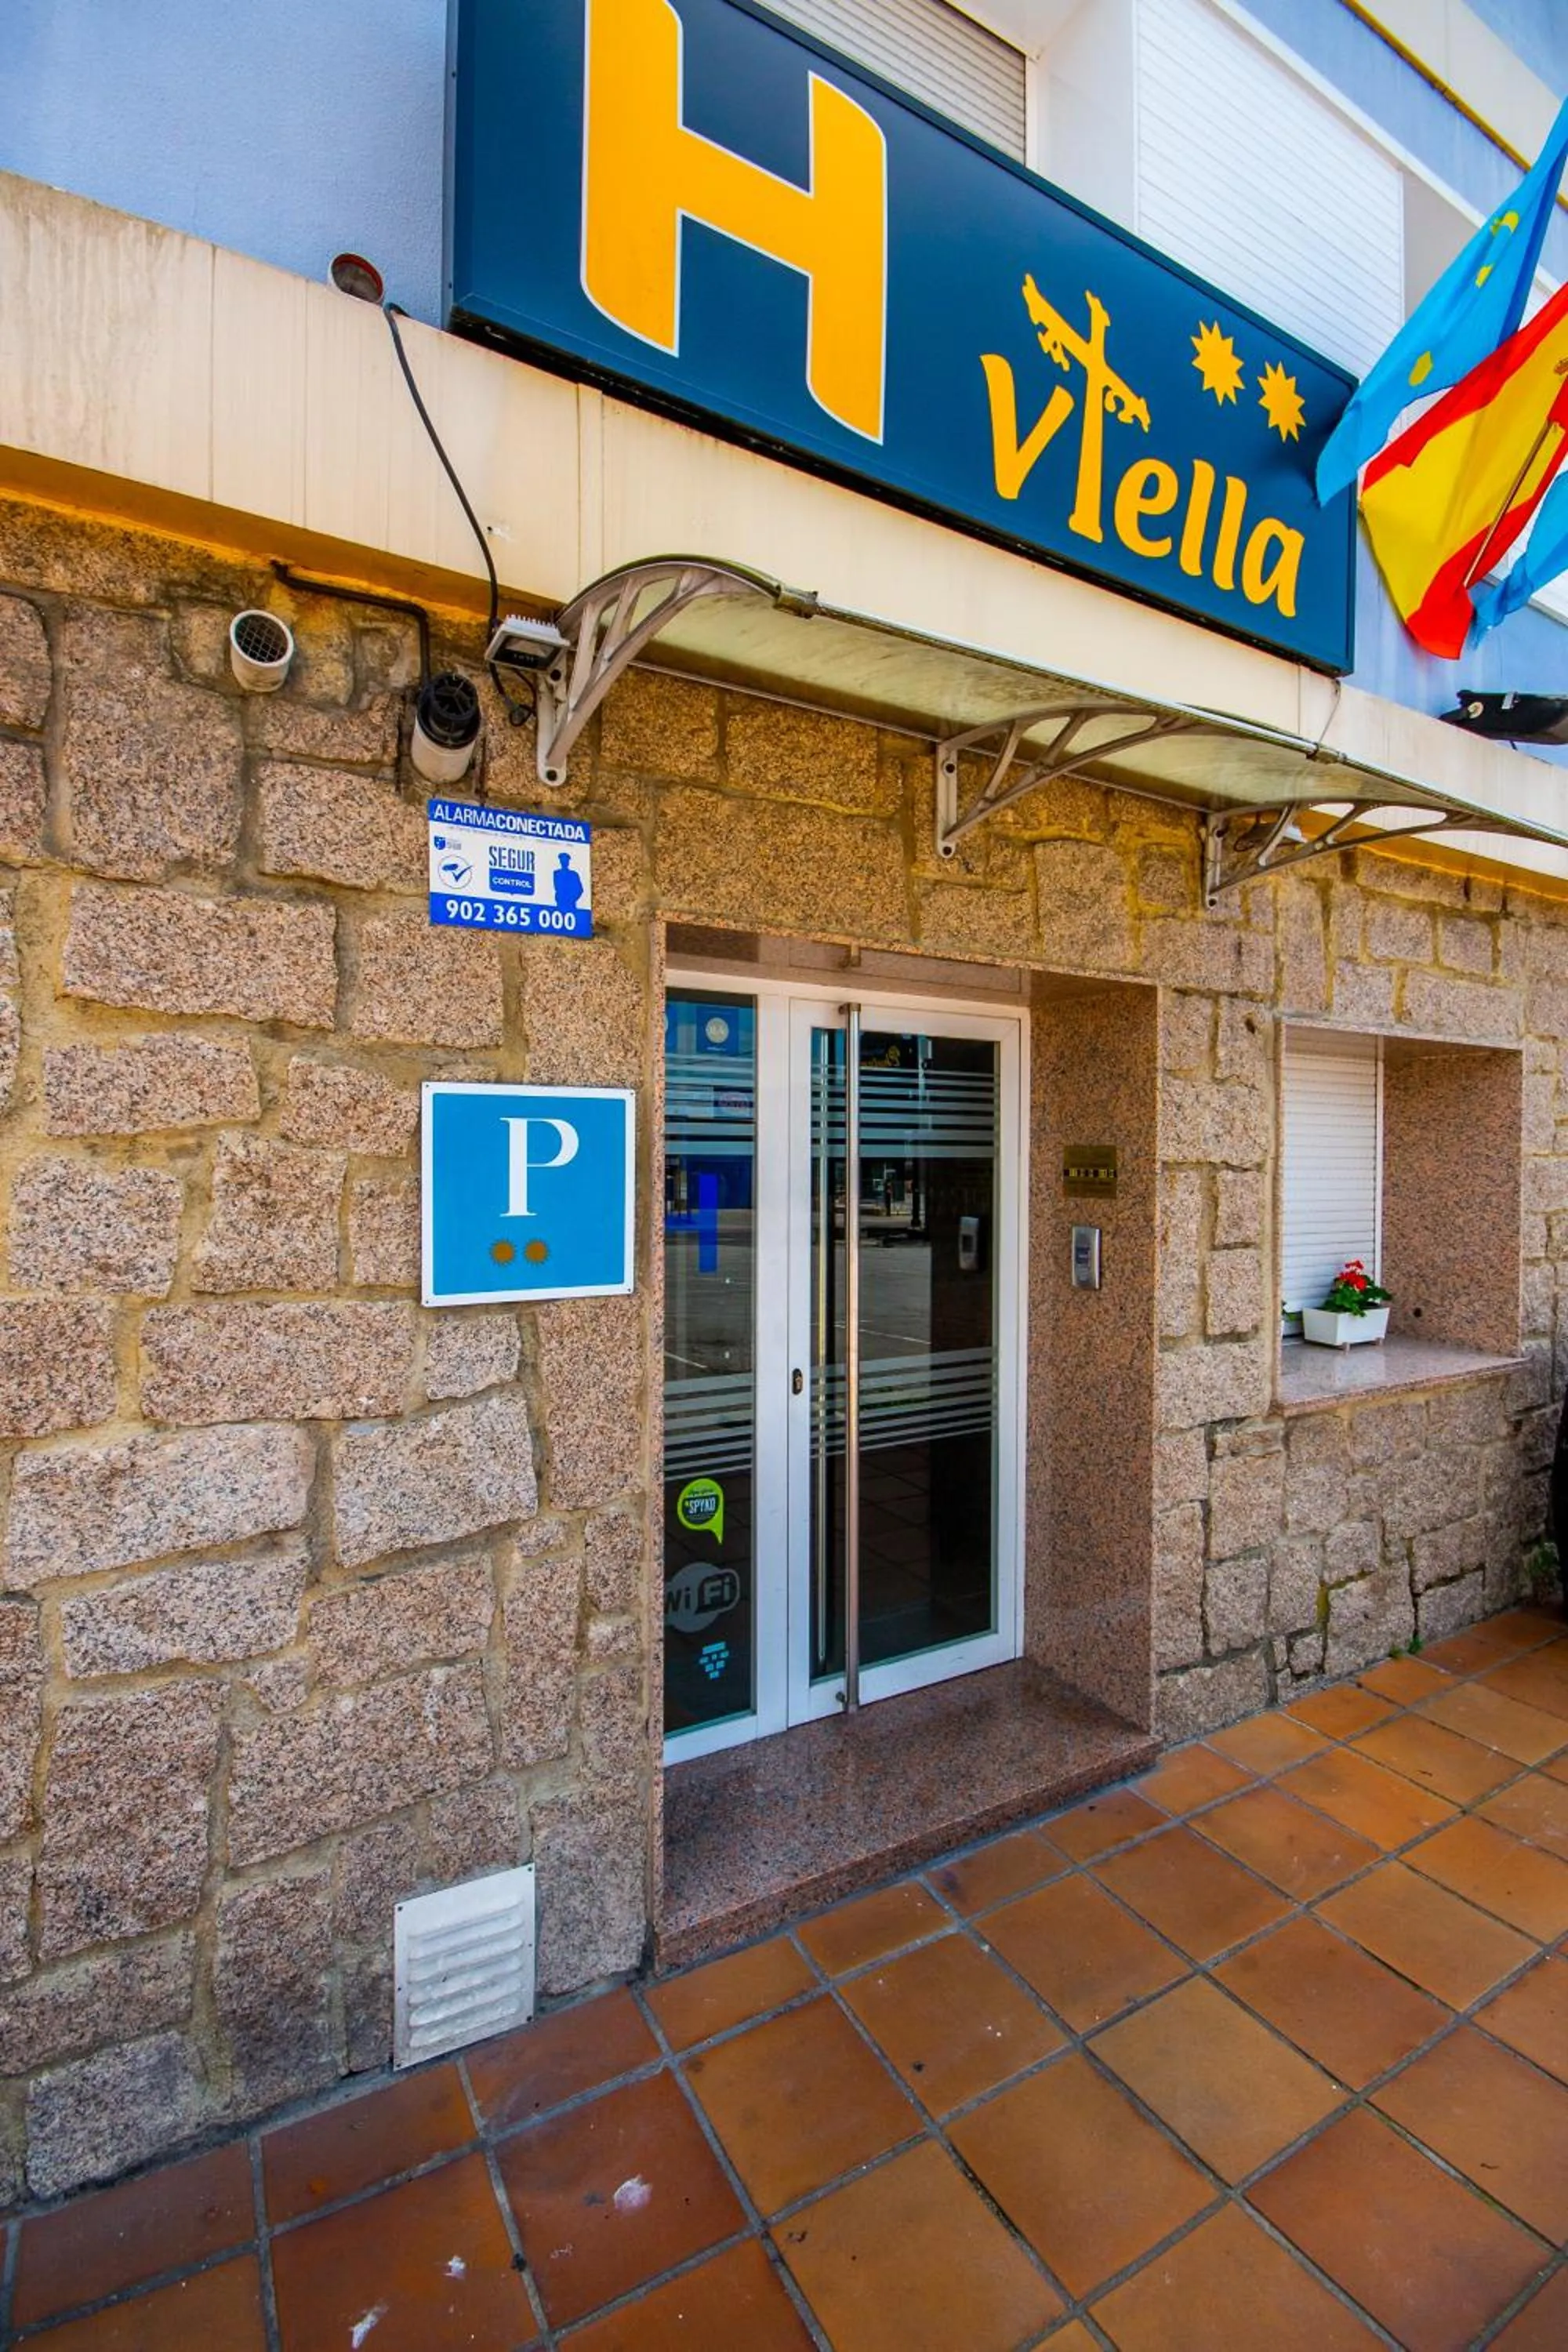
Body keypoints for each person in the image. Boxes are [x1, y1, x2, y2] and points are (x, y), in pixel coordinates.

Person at [552, 851, 584, 915]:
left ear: (568, 862)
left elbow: (580, 889)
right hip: (560, 902)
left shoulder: (574, 874)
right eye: (562, 860)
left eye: (565, 860)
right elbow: (557, 887)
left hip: (571, 904)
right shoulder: (556, 873)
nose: (564, 862)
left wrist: (572, 899)